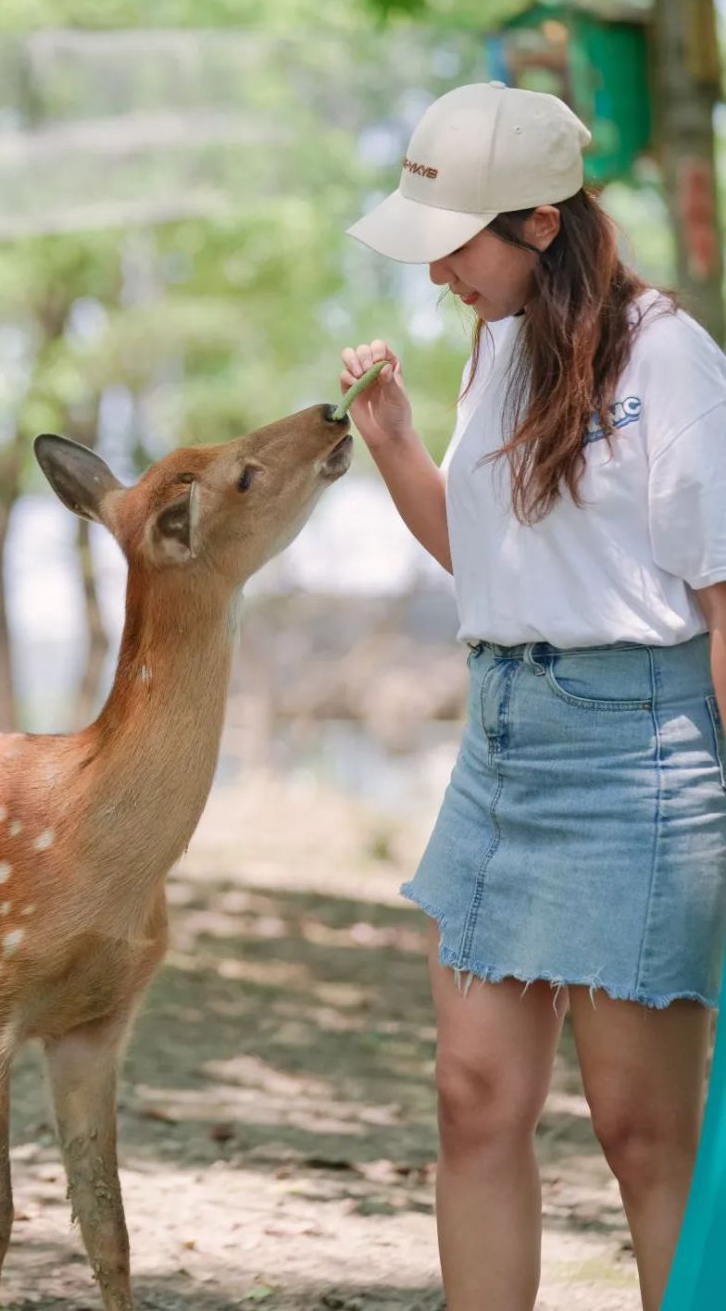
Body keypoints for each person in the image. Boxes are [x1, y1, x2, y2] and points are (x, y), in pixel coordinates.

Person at [339, 80, 726, 1311]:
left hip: (642, 753)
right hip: (502, 743)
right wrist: (397, 442)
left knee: (640, 1132)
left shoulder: (671, 361)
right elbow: (489, 561)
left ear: (540, 228)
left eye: (455, 245)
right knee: (472, 1099)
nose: (438, 272)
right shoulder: (496, 349)